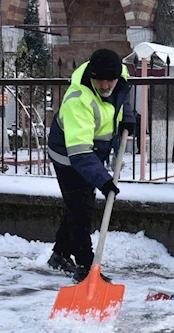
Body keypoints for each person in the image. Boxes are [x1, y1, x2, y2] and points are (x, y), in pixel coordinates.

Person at [46, 48, 136, 283]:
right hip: (69, 155)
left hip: (93, 153)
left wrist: (127, 116)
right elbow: (79, 153)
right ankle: (85, 267)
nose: (105, 86)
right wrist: (104, 181)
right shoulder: (78, 101)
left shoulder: (119, 75)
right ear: (92, 75)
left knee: (78, 204)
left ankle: (60, 254)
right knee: (81, 209)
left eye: (110, 81)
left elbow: (122, 94)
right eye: (100, 81)